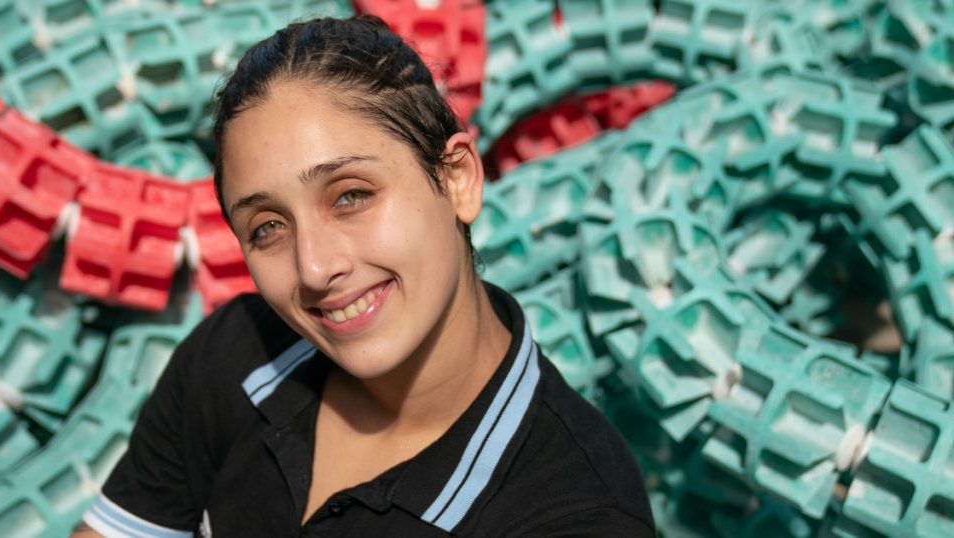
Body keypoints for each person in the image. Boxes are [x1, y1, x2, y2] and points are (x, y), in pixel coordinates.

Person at [74, 14, 654, 537]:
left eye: (350, 195)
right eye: (268, 227)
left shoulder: (575, 513)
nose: (316, 268)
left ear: (457, 179)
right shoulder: (235, 357)